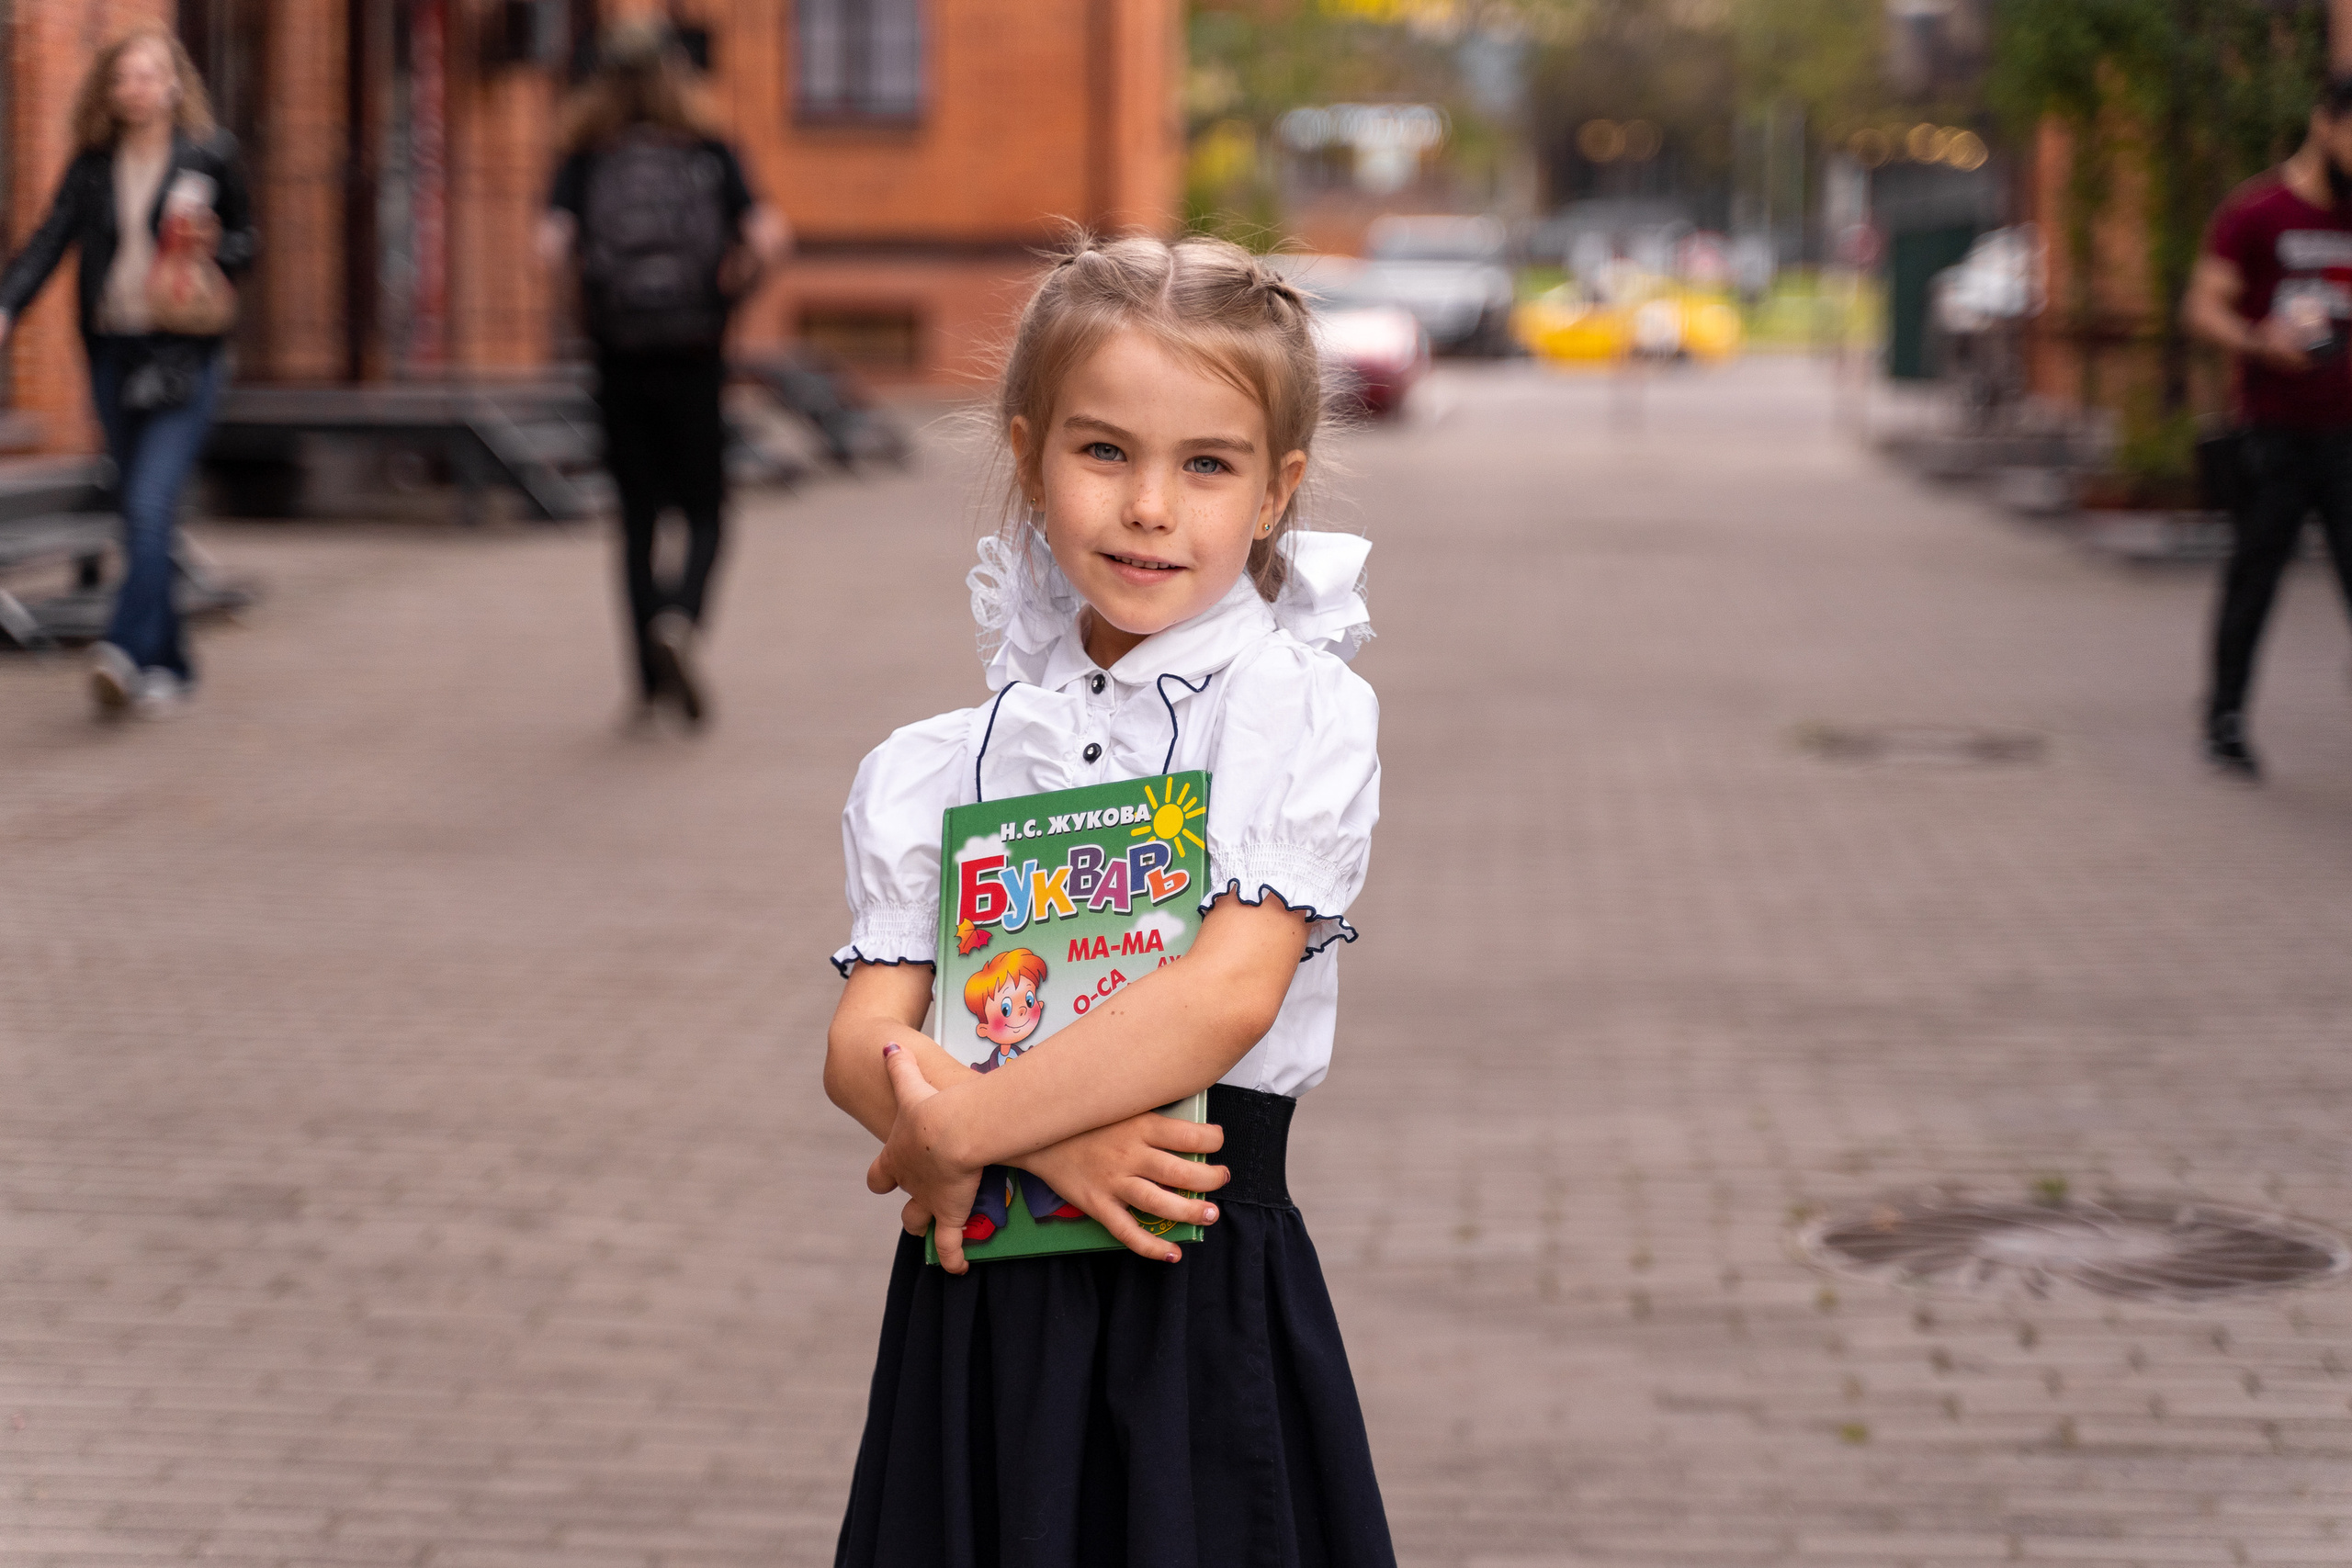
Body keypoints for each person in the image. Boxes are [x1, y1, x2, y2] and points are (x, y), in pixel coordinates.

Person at [823, 232, 1394, 1566]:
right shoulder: (935, 761)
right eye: (1102, 451)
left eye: (1207, 464)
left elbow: (1225, 995)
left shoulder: (1292, 709)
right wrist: (1032, 1150)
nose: (1151, 505)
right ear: (1027, 460)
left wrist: (955, 1130)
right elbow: (865, 1037)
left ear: (1276, 490)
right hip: (985, 1288)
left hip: (1188, 1279)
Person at [540, 22, 788, 730]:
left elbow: (549, 246)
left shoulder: (585, 156)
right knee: (708, 510)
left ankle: (647, 688)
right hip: (695, 351)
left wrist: (583, 315)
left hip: (618, 355)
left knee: (638, 519)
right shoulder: (710, 150)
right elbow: (771, 238)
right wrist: (726, 303)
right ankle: (681, 615)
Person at [0, 29, 254, 719]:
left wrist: (213, 252)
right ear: (110, 91)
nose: (137, 88)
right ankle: (170, 662)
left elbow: (247, 242)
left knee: (147, 507)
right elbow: (51, 238)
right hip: (114, 353)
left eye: (150, 75)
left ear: (175, 83)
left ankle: (122, 650)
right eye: (125, 78)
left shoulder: (209, 155)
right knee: (146, 515)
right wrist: (7, 305)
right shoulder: (92, 165)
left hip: (185, 358)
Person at [2184, 73, 2352, 779]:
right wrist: (2259, 341)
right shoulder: (2257, 212)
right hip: (2274, 433)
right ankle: (2225, 715)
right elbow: (2203, 306)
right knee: (2254, 577)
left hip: (2350, 439)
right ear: (2327, 124)